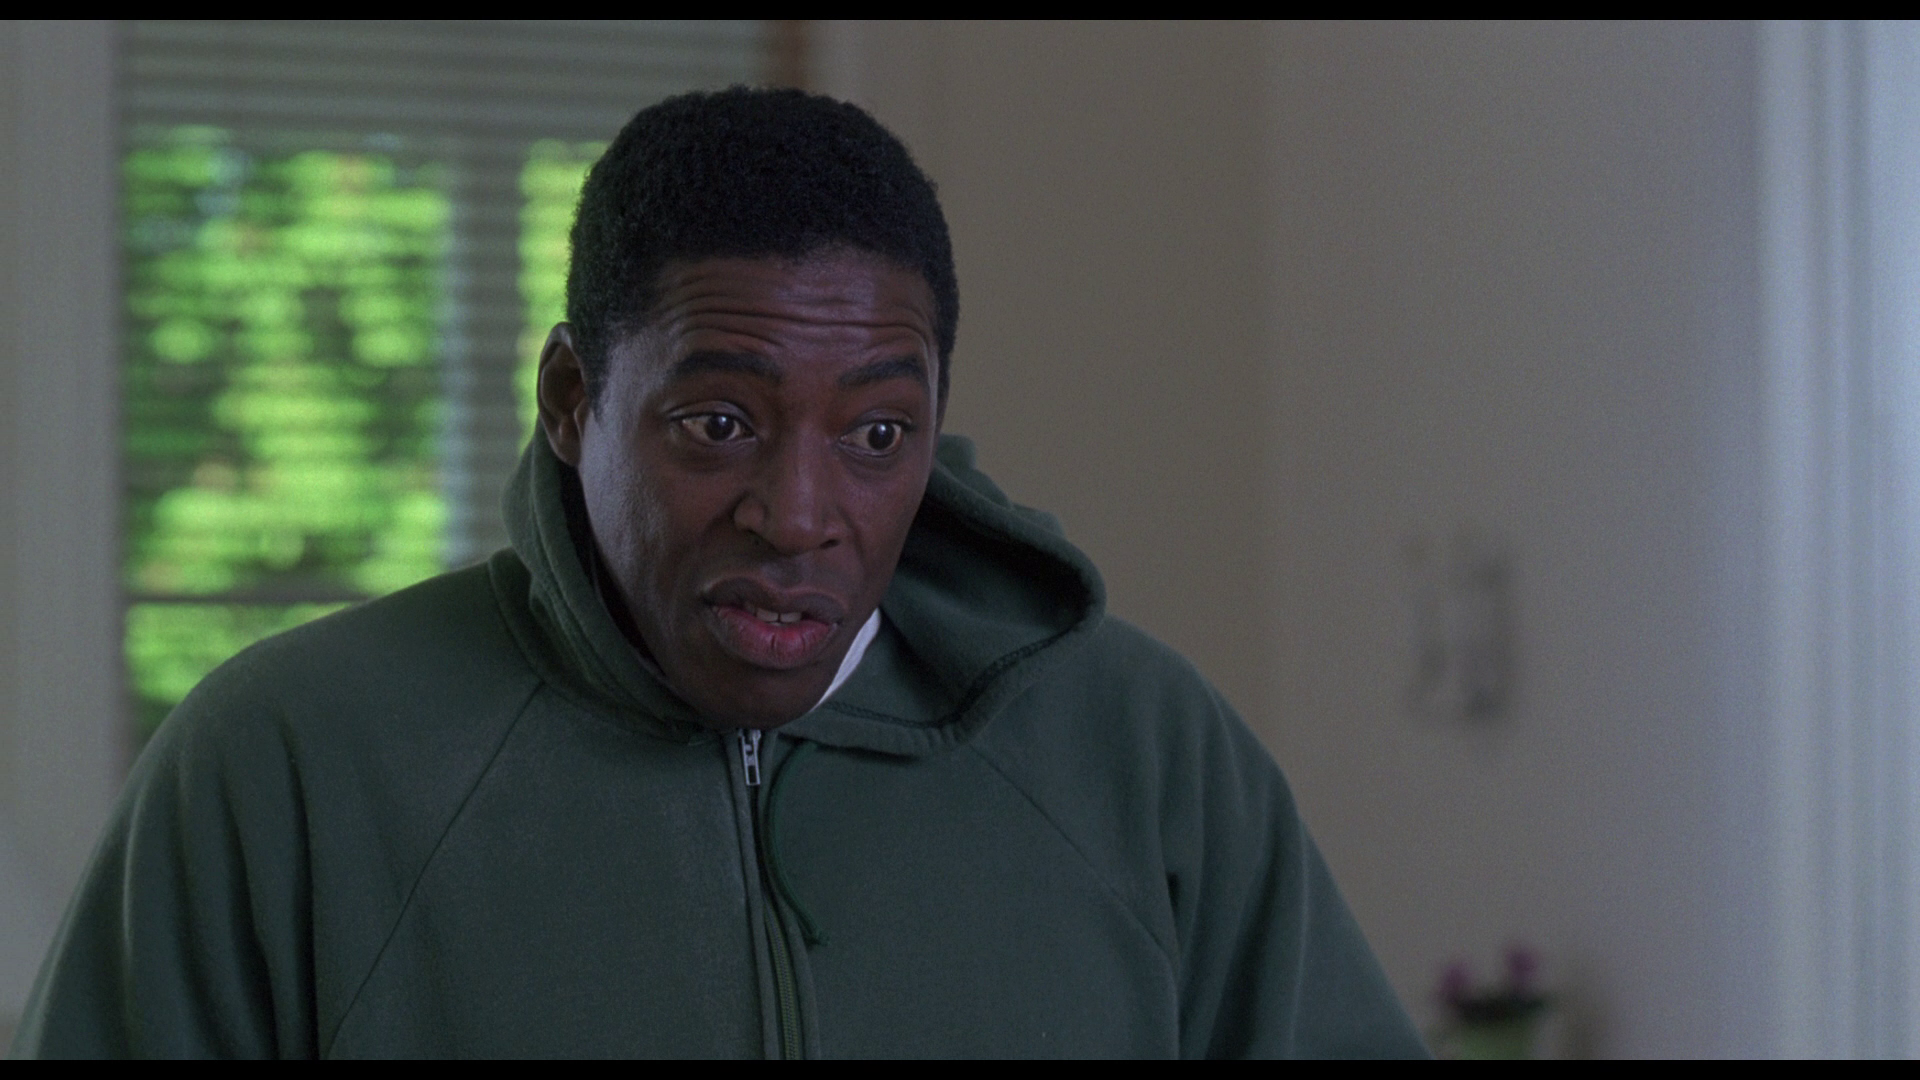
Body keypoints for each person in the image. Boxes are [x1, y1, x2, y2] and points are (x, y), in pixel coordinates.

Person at [16, 88, 1425, 1059]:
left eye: (878, 434)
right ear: (572, 400)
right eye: (718, 423)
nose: (798, 515)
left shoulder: (1146, 754)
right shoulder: (285, 762)